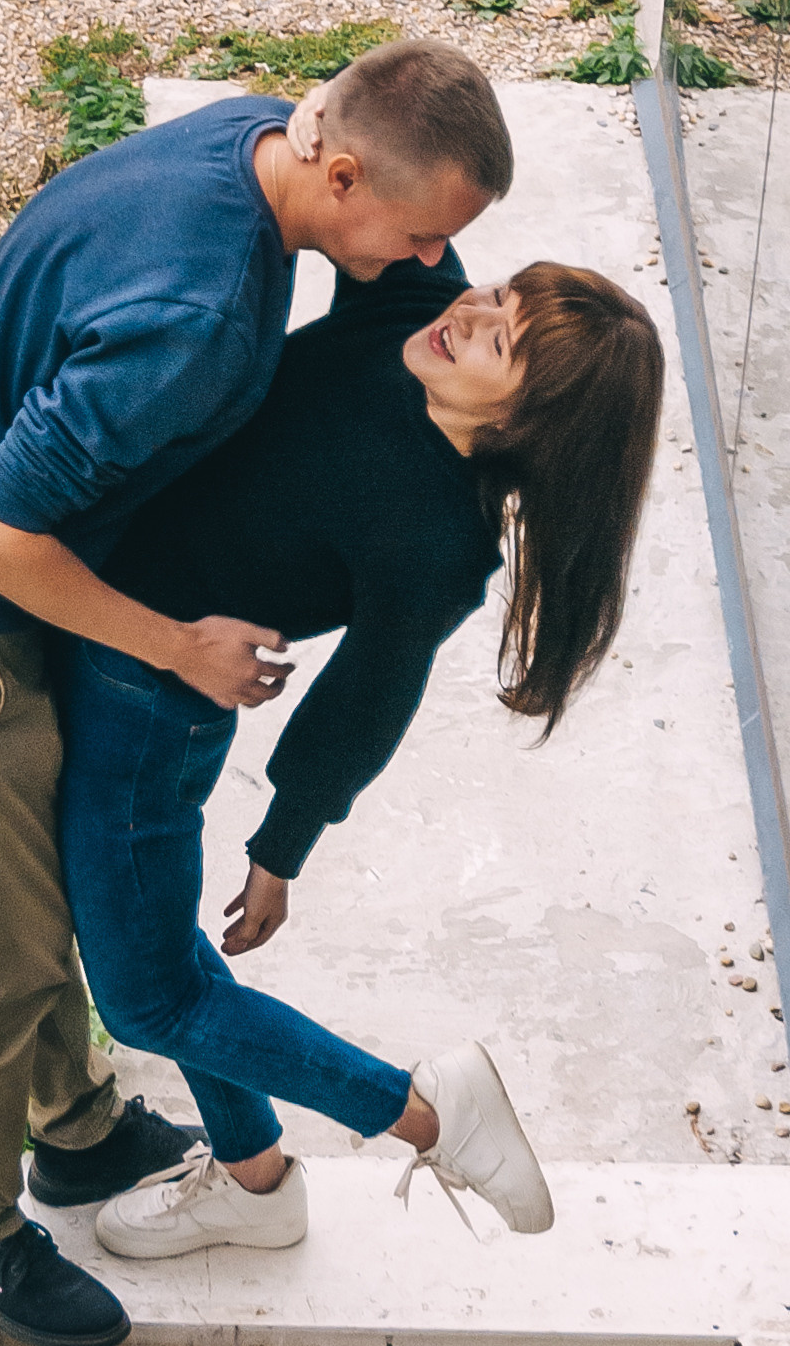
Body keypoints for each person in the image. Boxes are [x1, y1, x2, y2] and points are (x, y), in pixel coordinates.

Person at [0, 41, 516, 1346]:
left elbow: (406, 242)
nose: (430, 262)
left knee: (51, 901)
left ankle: (79, 1128)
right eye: (422, 231)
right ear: (339, 171)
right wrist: (176, 645)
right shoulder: (203, 314)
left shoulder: (252, 139)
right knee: (14, 941)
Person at [54, 252, 664, 1261]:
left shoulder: (436, 541)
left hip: (152, 708)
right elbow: (390, 201)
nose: (470, 312)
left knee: (147, 996)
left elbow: (363, 701)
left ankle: (426, 1114)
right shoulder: (413, 310)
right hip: (102, 632)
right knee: (158, 946)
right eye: (498, 292)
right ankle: (253, 1183)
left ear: (522, 425)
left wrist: (280, 848)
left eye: (498, 339)